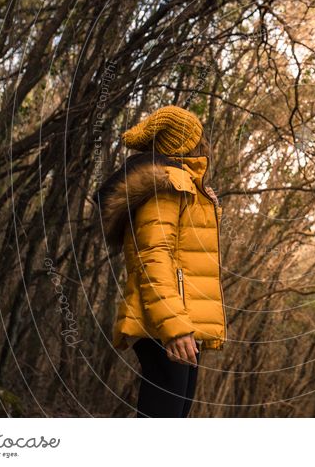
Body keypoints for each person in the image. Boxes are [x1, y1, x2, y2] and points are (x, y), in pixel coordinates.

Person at [96, 105, 227, 417]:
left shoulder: (182, 186)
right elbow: (153, 257)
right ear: (183, 142)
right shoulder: (166, 186)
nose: (204, 143)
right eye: (198, 137)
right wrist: (175, 328)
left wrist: (212, 207)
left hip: (177, 323)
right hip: (166, 324)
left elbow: (187, 249)